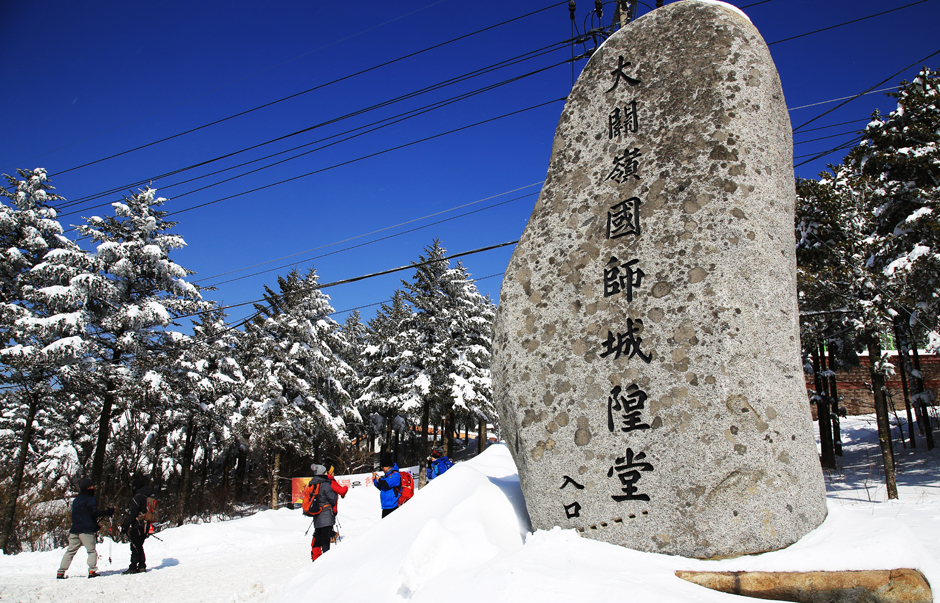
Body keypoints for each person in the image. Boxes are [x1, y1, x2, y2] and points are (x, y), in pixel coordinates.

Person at [57, 478, 114, 579]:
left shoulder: (76, 500)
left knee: (70, 551)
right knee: (91, 551)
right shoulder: (90, 499)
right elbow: (93, 513)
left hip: (75, 529)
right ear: (88, 488)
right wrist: (107, 512)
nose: (94, 488)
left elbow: (81, 515)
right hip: (86, 530)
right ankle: (92, 571)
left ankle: (61, 572)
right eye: (92, 486)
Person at [120, 476, 154, 574]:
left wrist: (125, 525)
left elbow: (133, 514)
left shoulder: (138, 497)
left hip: (138, 525)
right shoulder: (149, 496)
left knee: (135, 545)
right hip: (146, 524)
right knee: (139, 545)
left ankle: (133, 566)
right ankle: (142, 565)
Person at [306, 464, 338, 562]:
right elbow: (333, 498)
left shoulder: (313, 483)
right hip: (326, 516)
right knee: (325, 540)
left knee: (318, 538)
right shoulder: (325, 484)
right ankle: (325, 562)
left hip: (317, 516)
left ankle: (315, 559)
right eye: (325, 472)